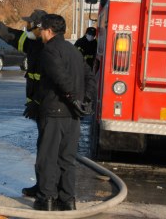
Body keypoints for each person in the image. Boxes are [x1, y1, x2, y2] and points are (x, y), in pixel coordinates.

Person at [0, 6, 47, 197]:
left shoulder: (50, 49)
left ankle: (46, 190)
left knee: (47, 150)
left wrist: (37, 103)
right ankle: (42, 185)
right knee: (42, 148)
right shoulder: (31, 43)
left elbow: (54, 83)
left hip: (47, 107)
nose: (27, 28)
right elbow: (9, 34)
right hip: (37, 107)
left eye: (30, 24)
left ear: (41, 27)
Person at [33, 14, 96, 211]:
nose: (40, 33)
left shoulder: (49, 50)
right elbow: (90, 76)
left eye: (42, 30)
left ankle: (46, 199)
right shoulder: (74, 50)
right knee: (67, 159)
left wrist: (76, 97)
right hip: (73, 115)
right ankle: (67, 199)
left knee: (47, 157)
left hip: (54, 111)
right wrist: (85, 99)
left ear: (49, 31)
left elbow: (61, 78)